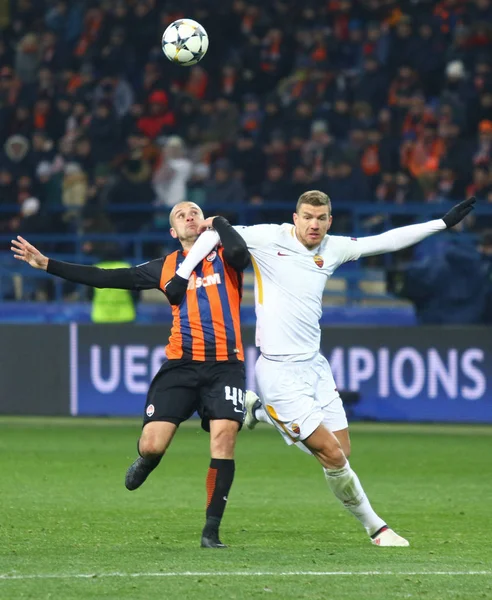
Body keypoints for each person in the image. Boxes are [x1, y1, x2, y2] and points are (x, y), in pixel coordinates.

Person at [172, 191, 476, 547]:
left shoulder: (334, 247)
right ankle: (377, 529)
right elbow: (212, 235)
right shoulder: (269, 237)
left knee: (341, 453)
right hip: (279, 371)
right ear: (295, 217)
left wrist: (441, 223)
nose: (314, 225)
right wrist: (182, 272)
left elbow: (385, 241)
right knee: (331, 456)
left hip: (315, 368)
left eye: (321, 218)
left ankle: (258, 412)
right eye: (307, 217)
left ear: (329, 221)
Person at [10, 201, 250, 549]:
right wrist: (47, 264)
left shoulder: (226, 255)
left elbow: (243, 254)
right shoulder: (166, 266)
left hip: (226, 365)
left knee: (224, 438)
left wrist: (222, 222)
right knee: (153, 444)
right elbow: (108, 278)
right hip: (181, 366)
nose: (189, 216)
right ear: (172, 232)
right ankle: (147, 460)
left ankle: (211, 531)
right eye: (181, 215)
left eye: (195, 212)